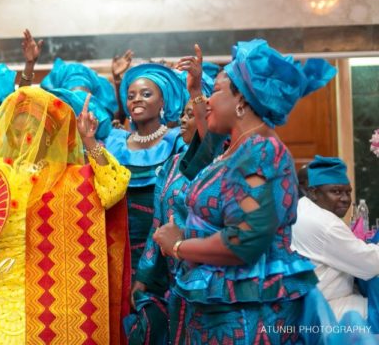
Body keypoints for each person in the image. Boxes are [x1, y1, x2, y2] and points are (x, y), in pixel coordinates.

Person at [153, 39, 337, 344]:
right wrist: (196, 92)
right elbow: (205, 147)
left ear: (242, 101)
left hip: (250, 314)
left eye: (217, 92)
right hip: (222, 308)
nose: (208, 101)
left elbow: (244, 242)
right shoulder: (236, 150)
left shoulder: (262, 152)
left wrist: (178, 246)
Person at [0, 86, 131, 344]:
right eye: (16, 132)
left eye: (32, 130)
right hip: (3, 291)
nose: (23, 138)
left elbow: (113, 189)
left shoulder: (70, 178)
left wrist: (89, 143)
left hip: (57, 297)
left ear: (49, 135)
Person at [131, 46, 224, 344]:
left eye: (191, 114)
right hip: (173, 279)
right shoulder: (172, 164)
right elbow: (157, 224)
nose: (183, 121)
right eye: (182, 114)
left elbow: (209, 137)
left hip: (210, 275)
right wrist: (144, 277)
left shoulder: (218, 161)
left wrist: (195, 88)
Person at [105, 62, 190, 344]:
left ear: (163, 100)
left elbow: (181, 197)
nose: (137, 100)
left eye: (146, 94)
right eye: (131, 95)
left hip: (162, 249)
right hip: (119, 249)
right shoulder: (114, 142)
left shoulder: (177, 140)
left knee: (156, 324)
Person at [292, 155, 379, 321]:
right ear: (314, 192)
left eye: (348, 192)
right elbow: (371, 264)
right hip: (327, 307)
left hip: (306, 302)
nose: (345, 199)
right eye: (336, 192)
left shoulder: (302, 206)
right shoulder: (325, 224)